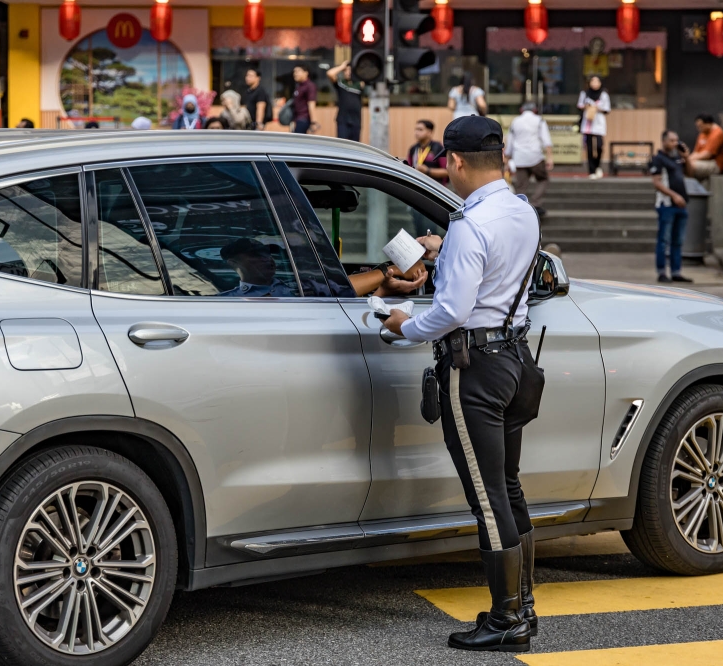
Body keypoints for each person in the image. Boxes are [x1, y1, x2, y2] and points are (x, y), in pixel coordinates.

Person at [384, 116, 544, 654]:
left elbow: (451, 310)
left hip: (474, 368)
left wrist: (404, 325)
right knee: (509, 487)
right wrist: (444, 248)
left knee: (487, 495)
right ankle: (521, 608)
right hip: (516, 359)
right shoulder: (521, 211)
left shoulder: (469, 225)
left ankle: (505, 620)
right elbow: (497, 276)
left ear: (453, 161)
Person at [220, 238, 426, 298]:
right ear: (233, 264)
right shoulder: (227, 300)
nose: (267, 259)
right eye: (256, 255)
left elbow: (341, 290)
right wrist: (392, 270)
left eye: (268, 253)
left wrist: (385, 286)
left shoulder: (300, 285)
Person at [650, 130, 692, 284]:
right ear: (664, 142)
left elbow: (691, 173)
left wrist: (686, 157)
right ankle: (662, 272)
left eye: (677, 140)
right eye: (672, 141)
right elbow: (656, 182)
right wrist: (674, 195)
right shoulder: (658, 159)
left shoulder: (678, 159)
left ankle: (676, 272)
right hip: (666, 205)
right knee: (664, 240)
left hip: (681, 205)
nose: (675, 143)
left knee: (678, 241)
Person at [505, 101, 553, 218]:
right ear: (535, 110)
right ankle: (535, 203)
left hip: (520, 157)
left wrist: (507, 158)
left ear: (521, 110)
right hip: (535, 156)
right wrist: (550, 157)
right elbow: (546, 140)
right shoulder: (539, 120)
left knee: (521, 185)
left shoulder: (515, 121)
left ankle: (521, 208)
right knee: (543, 179)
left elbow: (510, 142)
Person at [577, 75, 611, 179]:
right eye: (593, 81)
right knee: (590, 148)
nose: (595, 83)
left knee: (600, 145)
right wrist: (587, 107)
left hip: (599, 122)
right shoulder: (585, 94)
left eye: (597, 81)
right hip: (588, 123)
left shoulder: (604, 95)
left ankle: (597, 165)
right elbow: (579, 105)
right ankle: (591, 170)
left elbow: (607, 109)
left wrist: (597, 108)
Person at [326, 60, 364, 141]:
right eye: (346, 70)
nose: (348, 72)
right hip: (343, 120)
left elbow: (368, 74)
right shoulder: (341, 84)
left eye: (350, 70)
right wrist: (342, 67)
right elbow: (330, 73)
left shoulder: (359, 84)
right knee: (342, 145)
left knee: (355, 147)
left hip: (356, 120)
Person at [405, 120, 448, 185]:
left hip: (435, 188)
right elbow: (408, 168)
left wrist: (427, 171)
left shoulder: (438, 147)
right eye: (416, 129)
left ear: (429, 132)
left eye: (420, 130)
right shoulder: (413, 148)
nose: (416, 132)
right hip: (417, 186)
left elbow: (447, 172)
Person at [687, 113, 723, 180]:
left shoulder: (717, 134)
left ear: (708, 124)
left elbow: (707, 155)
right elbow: (696, 152)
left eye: (700, 126)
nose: (699, 129)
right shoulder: (703, 133)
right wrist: (687, 159)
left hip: (716, 164)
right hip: (702, 162)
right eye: (697, 127)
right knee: (684, 165)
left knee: (689, 166)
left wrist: (688, 160)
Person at [291, 65, 318, 134]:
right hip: (297, 119)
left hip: (304, 119)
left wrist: (313, 122)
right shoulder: (298, 86)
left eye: (298, 71)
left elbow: (311, 104)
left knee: (299, 142)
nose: (295, 74)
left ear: (306, 73)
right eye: (294, 72)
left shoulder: (310, 86)